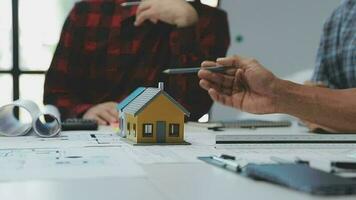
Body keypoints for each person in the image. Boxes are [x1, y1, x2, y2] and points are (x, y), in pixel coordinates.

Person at [44, 0, 230, 125]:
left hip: (167, 148)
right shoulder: (88, 11)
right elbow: (56, 92)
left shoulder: (210, 20)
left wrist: (186, 25)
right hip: (94, 139)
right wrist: (85, 112)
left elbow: (193, 108)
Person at [198, 0, 356, 133]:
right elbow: (320, 114)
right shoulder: (340, 16)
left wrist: (279, 94)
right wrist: (276, 95)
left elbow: (326, 111)